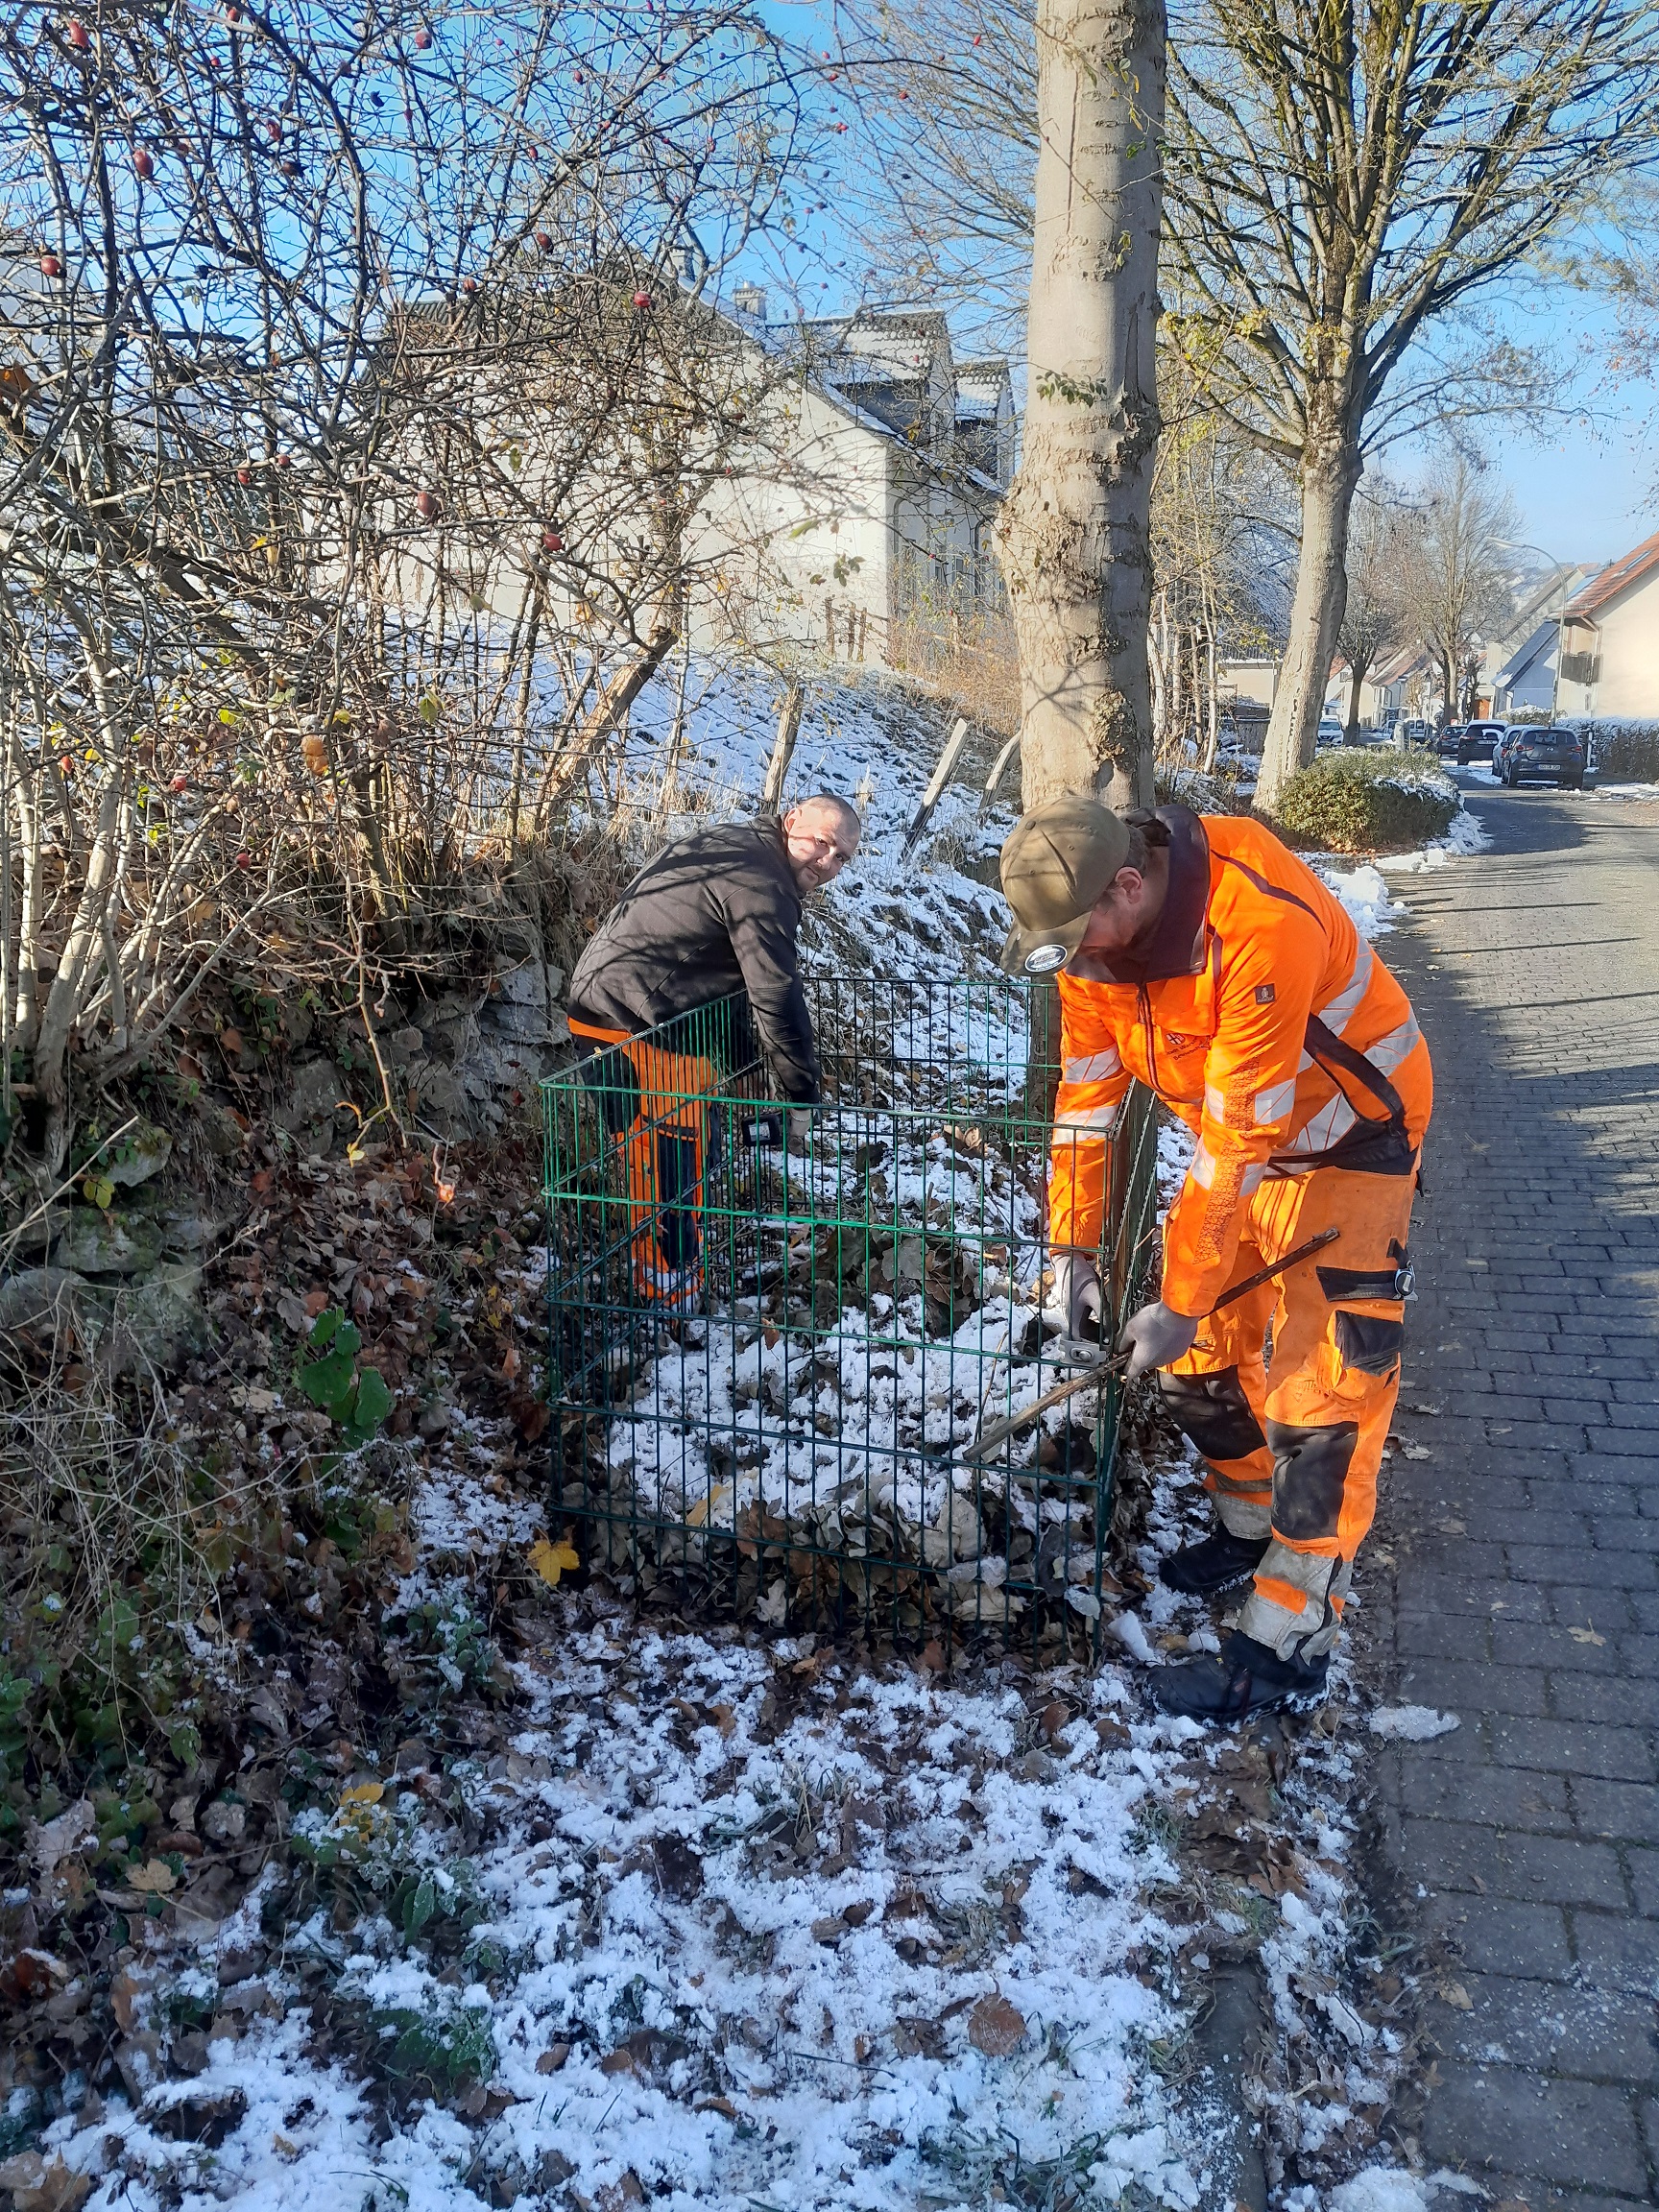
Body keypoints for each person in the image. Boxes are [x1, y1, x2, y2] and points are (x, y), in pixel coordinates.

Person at [999, 795, 1432, 1720]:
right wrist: (1072, 1251)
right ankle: (1247, 1522)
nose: (1073, 959)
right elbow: (1084, 1104)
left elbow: (1238, 1142)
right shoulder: (1093, 952)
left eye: (1077, 937)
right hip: (1247, 1149)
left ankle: (1284, 1648)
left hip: (1354, 1141)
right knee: (1195, 1356)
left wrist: (1183, 1297)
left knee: (1323, 1403)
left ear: (1128, 884)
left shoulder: (1255, 925)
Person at [566, 795, 861, 1306]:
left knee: (695, 1150)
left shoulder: (747, 850)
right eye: (822, 842)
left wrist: (743, 1064)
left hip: (660, 1016)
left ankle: (685, 1275)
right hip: (625, 1019)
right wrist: (801, 1095)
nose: (828, 862)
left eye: (842, 857)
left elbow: (731, 978)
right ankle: (666, 1300)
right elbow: (775, 993)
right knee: (664, 1165)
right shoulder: (761, 882)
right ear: (792, 819)